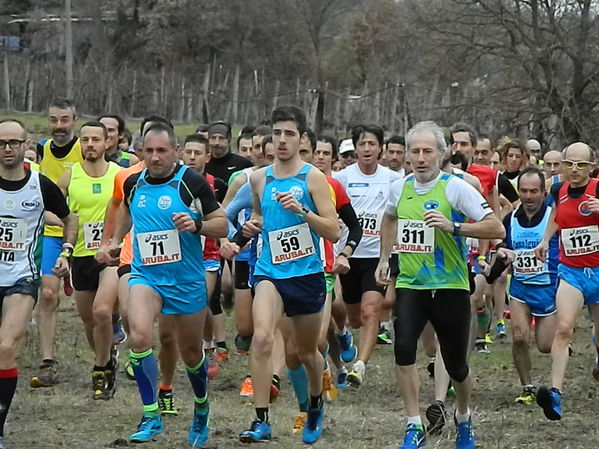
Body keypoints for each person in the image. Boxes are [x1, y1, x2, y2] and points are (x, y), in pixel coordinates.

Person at [375, 121, 504, 449]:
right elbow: (389, 218)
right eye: (414, 151)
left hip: (450, 286)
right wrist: (384, 258)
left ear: (441, 154)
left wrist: (454, 227)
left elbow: (496, 228)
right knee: (403, 350)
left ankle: (463, 416)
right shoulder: (400, 188)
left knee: (457, 366)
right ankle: (413, 423)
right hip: (411, 284)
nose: (420, 158)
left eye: (427, 151)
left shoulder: (455, 188)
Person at [106, 122, 228, 446]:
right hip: (146, 275)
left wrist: (197, 224)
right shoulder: (133, 183)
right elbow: (126, 213)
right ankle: (151, 414)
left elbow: (223, 224)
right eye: (149, 151)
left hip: (186, 280)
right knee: (139, 335)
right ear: (141, 152)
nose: (155, 157)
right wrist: (115, 241)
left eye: (162, 151)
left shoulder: (190, 182)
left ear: (175, 151)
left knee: (190, 353)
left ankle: (201, 407)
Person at [238, 105, 339, 445]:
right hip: (269, 273)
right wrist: (253, 225)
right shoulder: (258, 178)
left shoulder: (313, 178)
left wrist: (303, 211)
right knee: (263, 338)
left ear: (302, 138)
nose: (282, 140)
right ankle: (261, 420)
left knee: (308, 352)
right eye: (277, 132)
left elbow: (334, 231)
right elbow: (258, 214)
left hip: (307, 275)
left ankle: (314, 405)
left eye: (289, 134)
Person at [0, 119, 77, 447]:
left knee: (5, 348)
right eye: (1, 143)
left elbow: (69, 217)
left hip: (21, 278)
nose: (7, 149)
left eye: (13, 143)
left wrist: (67, 250)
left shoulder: (39, 184)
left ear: (25, 144)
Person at [534, 142, 599, 421]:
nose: (574, 170)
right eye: (569, 163)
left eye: (581, 165)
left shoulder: (597, 189)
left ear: (591, 166)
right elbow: (556, 215)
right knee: (563, 328)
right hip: (571, 271)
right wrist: (546, 238)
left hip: (598, 271)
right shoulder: (557, 189)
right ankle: (555, 394)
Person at [57, 121, 121, 400]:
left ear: (107, 143)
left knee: (102, 312)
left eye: (96, 139)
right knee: (89, 322)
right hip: (81, 256)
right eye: (85, 140)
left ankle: (101, 369)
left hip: (111, 256)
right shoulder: (69, 177)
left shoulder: (121, 175)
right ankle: (106, 356)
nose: (90, 145)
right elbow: (52, 210)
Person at [334, 124, 402, 386]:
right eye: (361, 144)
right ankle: (344, 335)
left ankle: (359, 366)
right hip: (349, 254)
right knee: (351, 315)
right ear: (355, 147)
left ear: (381, 149)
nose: (366, 149)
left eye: (372, 144)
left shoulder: (394, 180)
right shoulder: (341, 178)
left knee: (371, 311)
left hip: (378, 255)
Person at [488, 167, 559, 405]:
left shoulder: (554, 217)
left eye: (534, 191)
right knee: (519, 337)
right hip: (520, 288)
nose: (528, 196)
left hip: (548, 288)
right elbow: (502, 249)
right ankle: (527, 387)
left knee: (546, 345)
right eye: (524, 191)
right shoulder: (510, 219)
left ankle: (557, 378)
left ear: (543, 192)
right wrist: (499, 258)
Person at [31, 97, 83, 388]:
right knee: (48, 294)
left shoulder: (86, 145)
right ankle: (48, 361)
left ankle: (108, 342)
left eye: (64, 120)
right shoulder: (42, 149)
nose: (59, 126)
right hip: (53, 230)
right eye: (54, 120)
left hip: (88, 233)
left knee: (97, 307)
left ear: (74, 121)